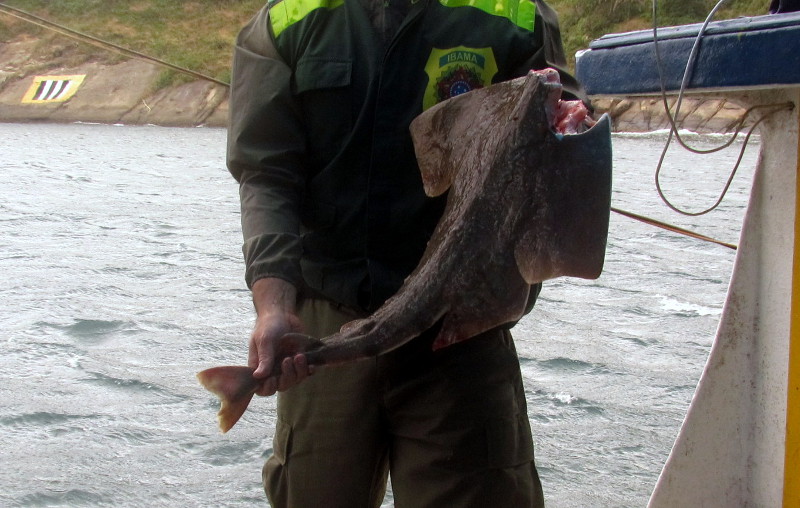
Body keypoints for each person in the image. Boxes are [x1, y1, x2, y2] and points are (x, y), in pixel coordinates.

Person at [226, 0, 589, 506]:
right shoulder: (287, 21)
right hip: (326, 319)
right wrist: (273, 305)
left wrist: (571, 121)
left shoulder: (513, 16)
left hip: (461, 327)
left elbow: (562, 132)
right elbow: (266, 173)